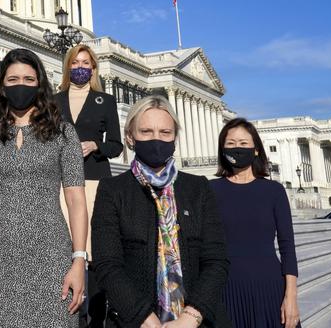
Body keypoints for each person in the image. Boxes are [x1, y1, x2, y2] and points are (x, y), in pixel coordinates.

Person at [0, 48, 88, 327]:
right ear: (2, 86)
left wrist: (79, 260)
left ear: (40, 84)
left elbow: (76, 200)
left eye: (29, 80)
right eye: (14, 79)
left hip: (52, 256)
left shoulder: (64, 133)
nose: (21, 85)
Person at [92, 95, 230, 328]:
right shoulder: (112, 190)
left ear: (175, 137)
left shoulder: (198, 188)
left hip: (196, 321)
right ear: (130, 137)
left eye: (165, 132)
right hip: (137, 322)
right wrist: (145, 319)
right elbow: (107, 264)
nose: (156, 139)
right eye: (146, 131)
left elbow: (216, 260)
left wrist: (190, 318)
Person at [54, 44, 122, 325]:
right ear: (68, 66)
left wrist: (95, 145)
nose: (80, 67)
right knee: (65, 247)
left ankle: (95, 315)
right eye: (75, 62)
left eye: (85, 63)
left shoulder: (104, 101)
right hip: (61, 179)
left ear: (93, 69)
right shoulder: (54, 100)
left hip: (94, 178)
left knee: (91, 252)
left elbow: (116, 146)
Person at [211, 118, 300, 328]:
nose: (237, 148)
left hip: (268, 287)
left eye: (243, 143)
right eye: (230, 144)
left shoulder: (273, 191)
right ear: (222, 150)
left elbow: (287, 246)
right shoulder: (210, 190)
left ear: (256, 149)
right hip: (226, 288)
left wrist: (291, 297)